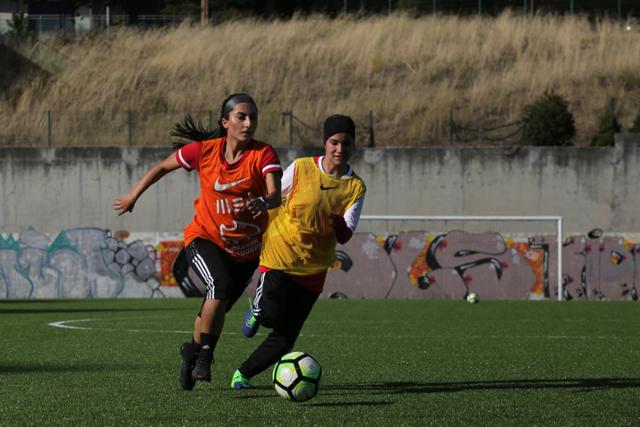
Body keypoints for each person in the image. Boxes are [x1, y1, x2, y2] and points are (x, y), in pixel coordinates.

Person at [113, 93, 282, 390]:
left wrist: (264, 203)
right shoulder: (203, 151)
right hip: (204, 237)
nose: (248, 122)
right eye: (241, 116)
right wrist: (132, 196)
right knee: (217, 286)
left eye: (253, 117)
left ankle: (190, 350)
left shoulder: (264, 153)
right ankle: (205, 356)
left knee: (211, 309)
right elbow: (162, 167)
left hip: (246, 253)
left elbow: (275, 195)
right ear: (225, 122)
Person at [230, 114, 366, 389]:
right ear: (325, 143)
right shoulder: (303, 168)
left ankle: (243, 373)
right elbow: (274, 195)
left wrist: (337, 223)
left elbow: (347, 235)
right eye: (334, 142)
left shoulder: (355, 187)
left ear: (353, 145)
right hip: (280, 253)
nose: (340, 149)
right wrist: (258, 205)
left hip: (314, 268)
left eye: (346, 143)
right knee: (269, 315)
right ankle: (256, 311)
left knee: (287, 335)